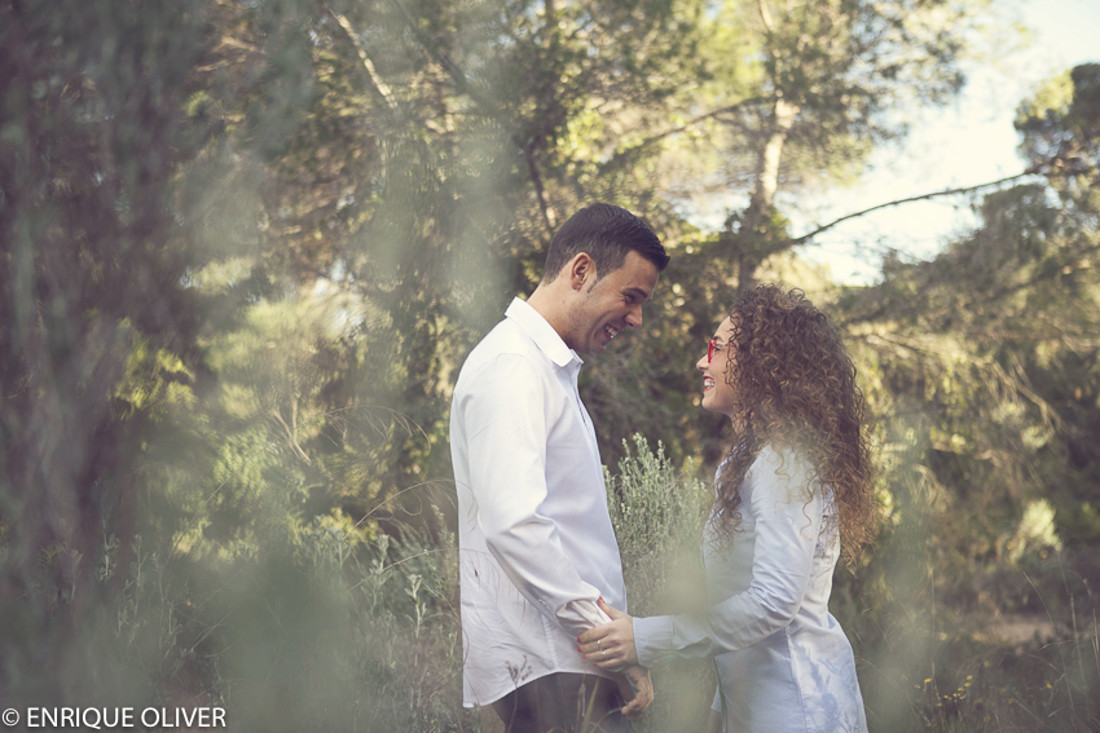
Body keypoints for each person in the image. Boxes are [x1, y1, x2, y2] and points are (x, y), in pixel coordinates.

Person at [578, 285, 879, 733]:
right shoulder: (748, 463)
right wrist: (722, 711)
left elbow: (774, 603)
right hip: (757, 708)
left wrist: (645, 640)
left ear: (760, 364)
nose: (703, 361)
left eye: (716, 348)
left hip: (799, 708)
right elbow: (735, 603)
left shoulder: (784, 461)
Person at [450, 203, 671, 732]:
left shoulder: (543, 371)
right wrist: (607, 643)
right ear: (581, 272)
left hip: (566, 669)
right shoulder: (513, 366)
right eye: (631, 296)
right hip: (552, 674)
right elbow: (514, 525)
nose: (636, 319)